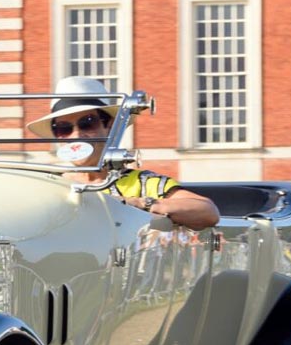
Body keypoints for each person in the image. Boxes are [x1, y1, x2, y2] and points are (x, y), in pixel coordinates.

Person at [26, 76, 220, 231]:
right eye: (64, 128)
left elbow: (207, 211)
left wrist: (137, 204)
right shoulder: (46, 183)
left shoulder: (141, 182)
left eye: (87, 123)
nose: (76, 135)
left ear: (110, 126)